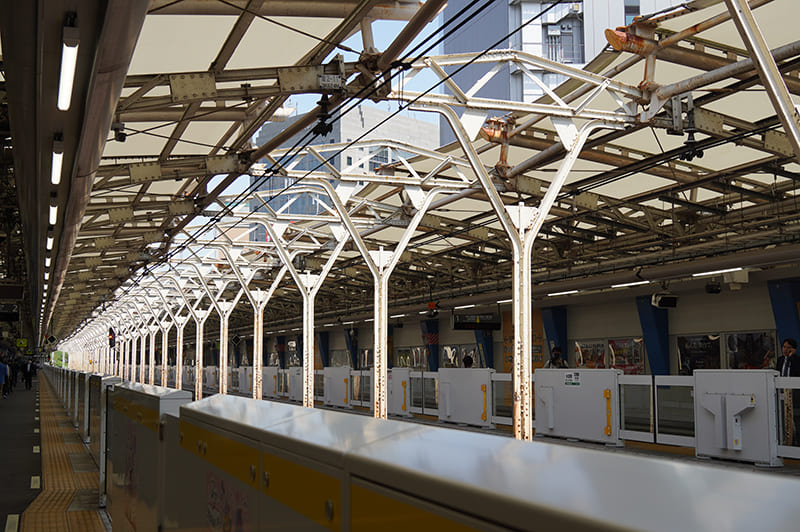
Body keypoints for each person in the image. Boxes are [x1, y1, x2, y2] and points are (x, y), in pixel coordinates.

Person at [776, 338, 800, 445]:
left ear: (793, 349)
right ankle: (784, 440)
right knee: (782, 417)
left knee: (795, 417)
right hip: (781, 392)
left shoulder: (797, 360)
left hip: (794, 393)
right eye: (784, 347)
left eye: (788, 348)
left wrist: (790, 358)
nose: (785, 349)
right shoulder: (780, 360)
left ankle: (797, 441)